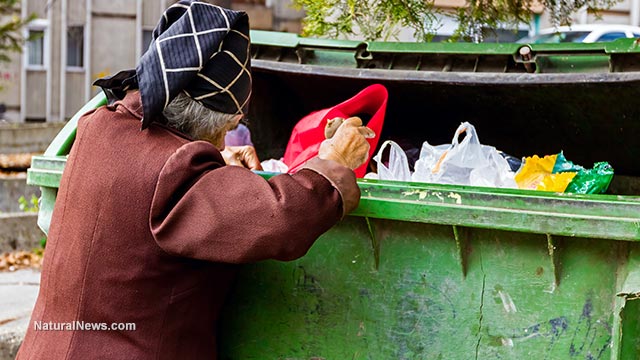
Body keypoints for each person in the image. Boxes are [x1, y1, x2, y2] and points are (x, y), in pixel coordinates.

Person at [16, 1, 374, 359]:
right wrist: (333, 162)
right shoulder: (177, 169)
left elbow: (149, 188)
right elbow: (280, 219)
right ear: (207, 119)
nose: (224, 142)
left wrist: (215, 169)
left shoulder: (99, 126)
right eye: (229, 128)